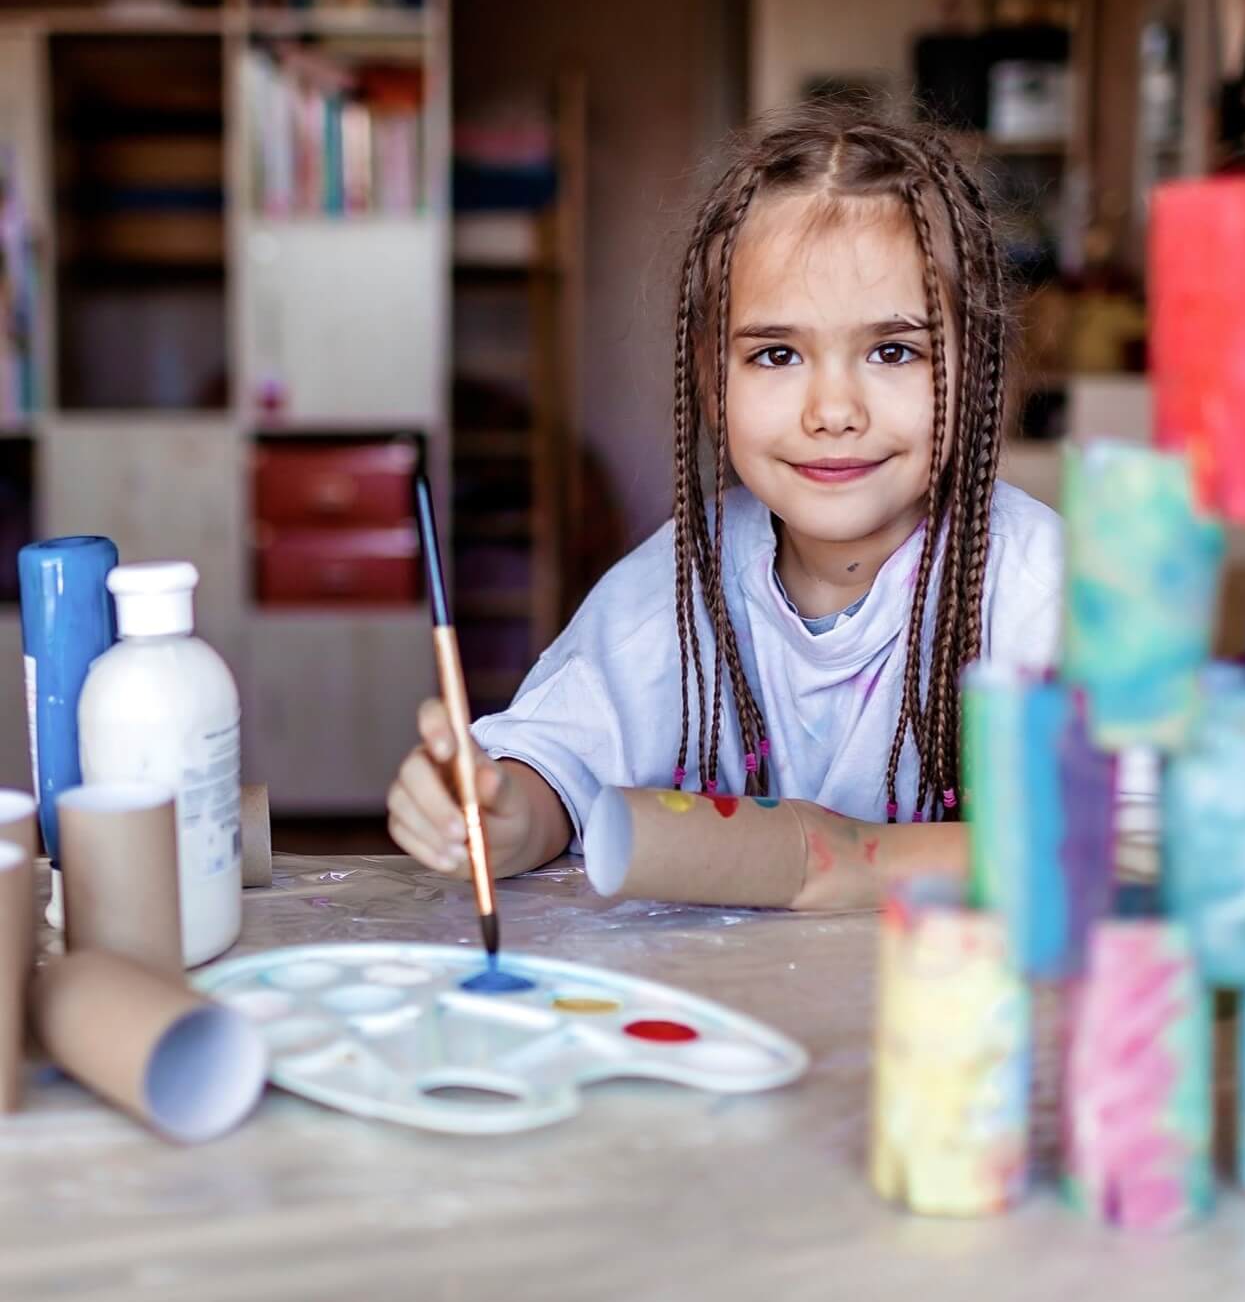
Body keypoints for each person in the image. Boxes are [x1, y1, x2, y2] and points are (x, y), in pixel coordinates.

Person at [388, 104, 1062, 884]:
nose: (833, 411)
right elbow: (557, 762)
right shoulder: (684, 579)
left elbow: (1117, 847)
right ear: (713, 381)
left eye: (892, 350)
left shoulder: (1042, 594)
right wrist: (502, 812)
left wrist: (827, 864)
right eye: (777, 354)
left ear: (976, 368)